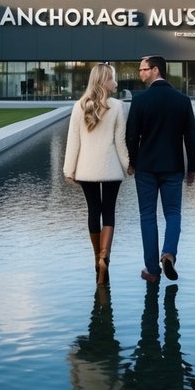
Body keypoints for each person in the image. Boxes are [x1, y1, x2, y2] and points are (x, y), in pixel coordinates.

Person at [125, 55, 195, 283]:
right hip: (173, 167)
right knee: (173, 214)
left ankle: (152, 271)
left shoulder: (139, 101)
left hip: (146, 168)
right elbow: (191, 138)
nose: (140, 74)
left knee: (147, 216)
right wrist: (192, 168)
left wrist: (134, 162)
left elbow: (131, 137)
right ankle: (168, 253)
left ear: (156, 70)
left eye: (143, 70)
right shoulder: (182, 100)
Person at [64, 63, 129, 282]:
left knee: (94, 211)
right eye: (112, 79)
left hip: (86, 170)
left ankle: (96, 258)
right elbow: (120, 143)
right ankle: (105, 257)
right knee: (109, 212)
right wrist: (129, 165)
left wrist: (68, 169)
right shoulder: (118, 106)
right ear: (103, 81)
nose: (115, 83)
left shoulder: (79, 106)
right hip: (110, 169)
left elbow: (73, 141)